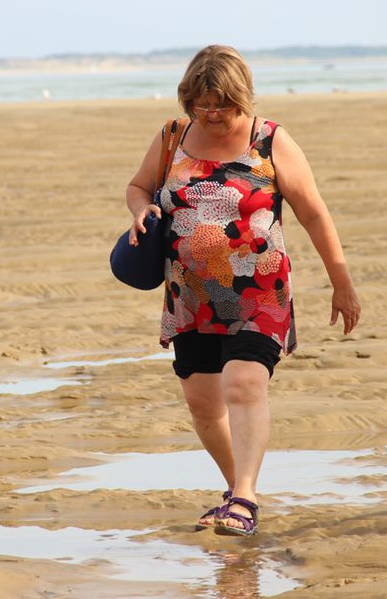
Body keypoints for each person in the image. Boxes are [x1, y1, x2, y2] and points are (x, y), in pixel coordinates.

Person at [125, 45, 360, 536]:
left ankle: (246, 499)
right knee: (203, 405)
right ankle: (238, 492)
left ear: (241, 99)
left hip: (259, 291)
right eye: (201, 105)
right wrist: (141, 210)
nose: (211, 115)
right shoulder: (172, 136)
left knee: (244, 386)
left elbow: (313, 211)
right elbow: (139, 187)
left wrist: (342, 283)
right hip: (190, 296)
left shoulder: (269, 140)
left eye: (222, 105)